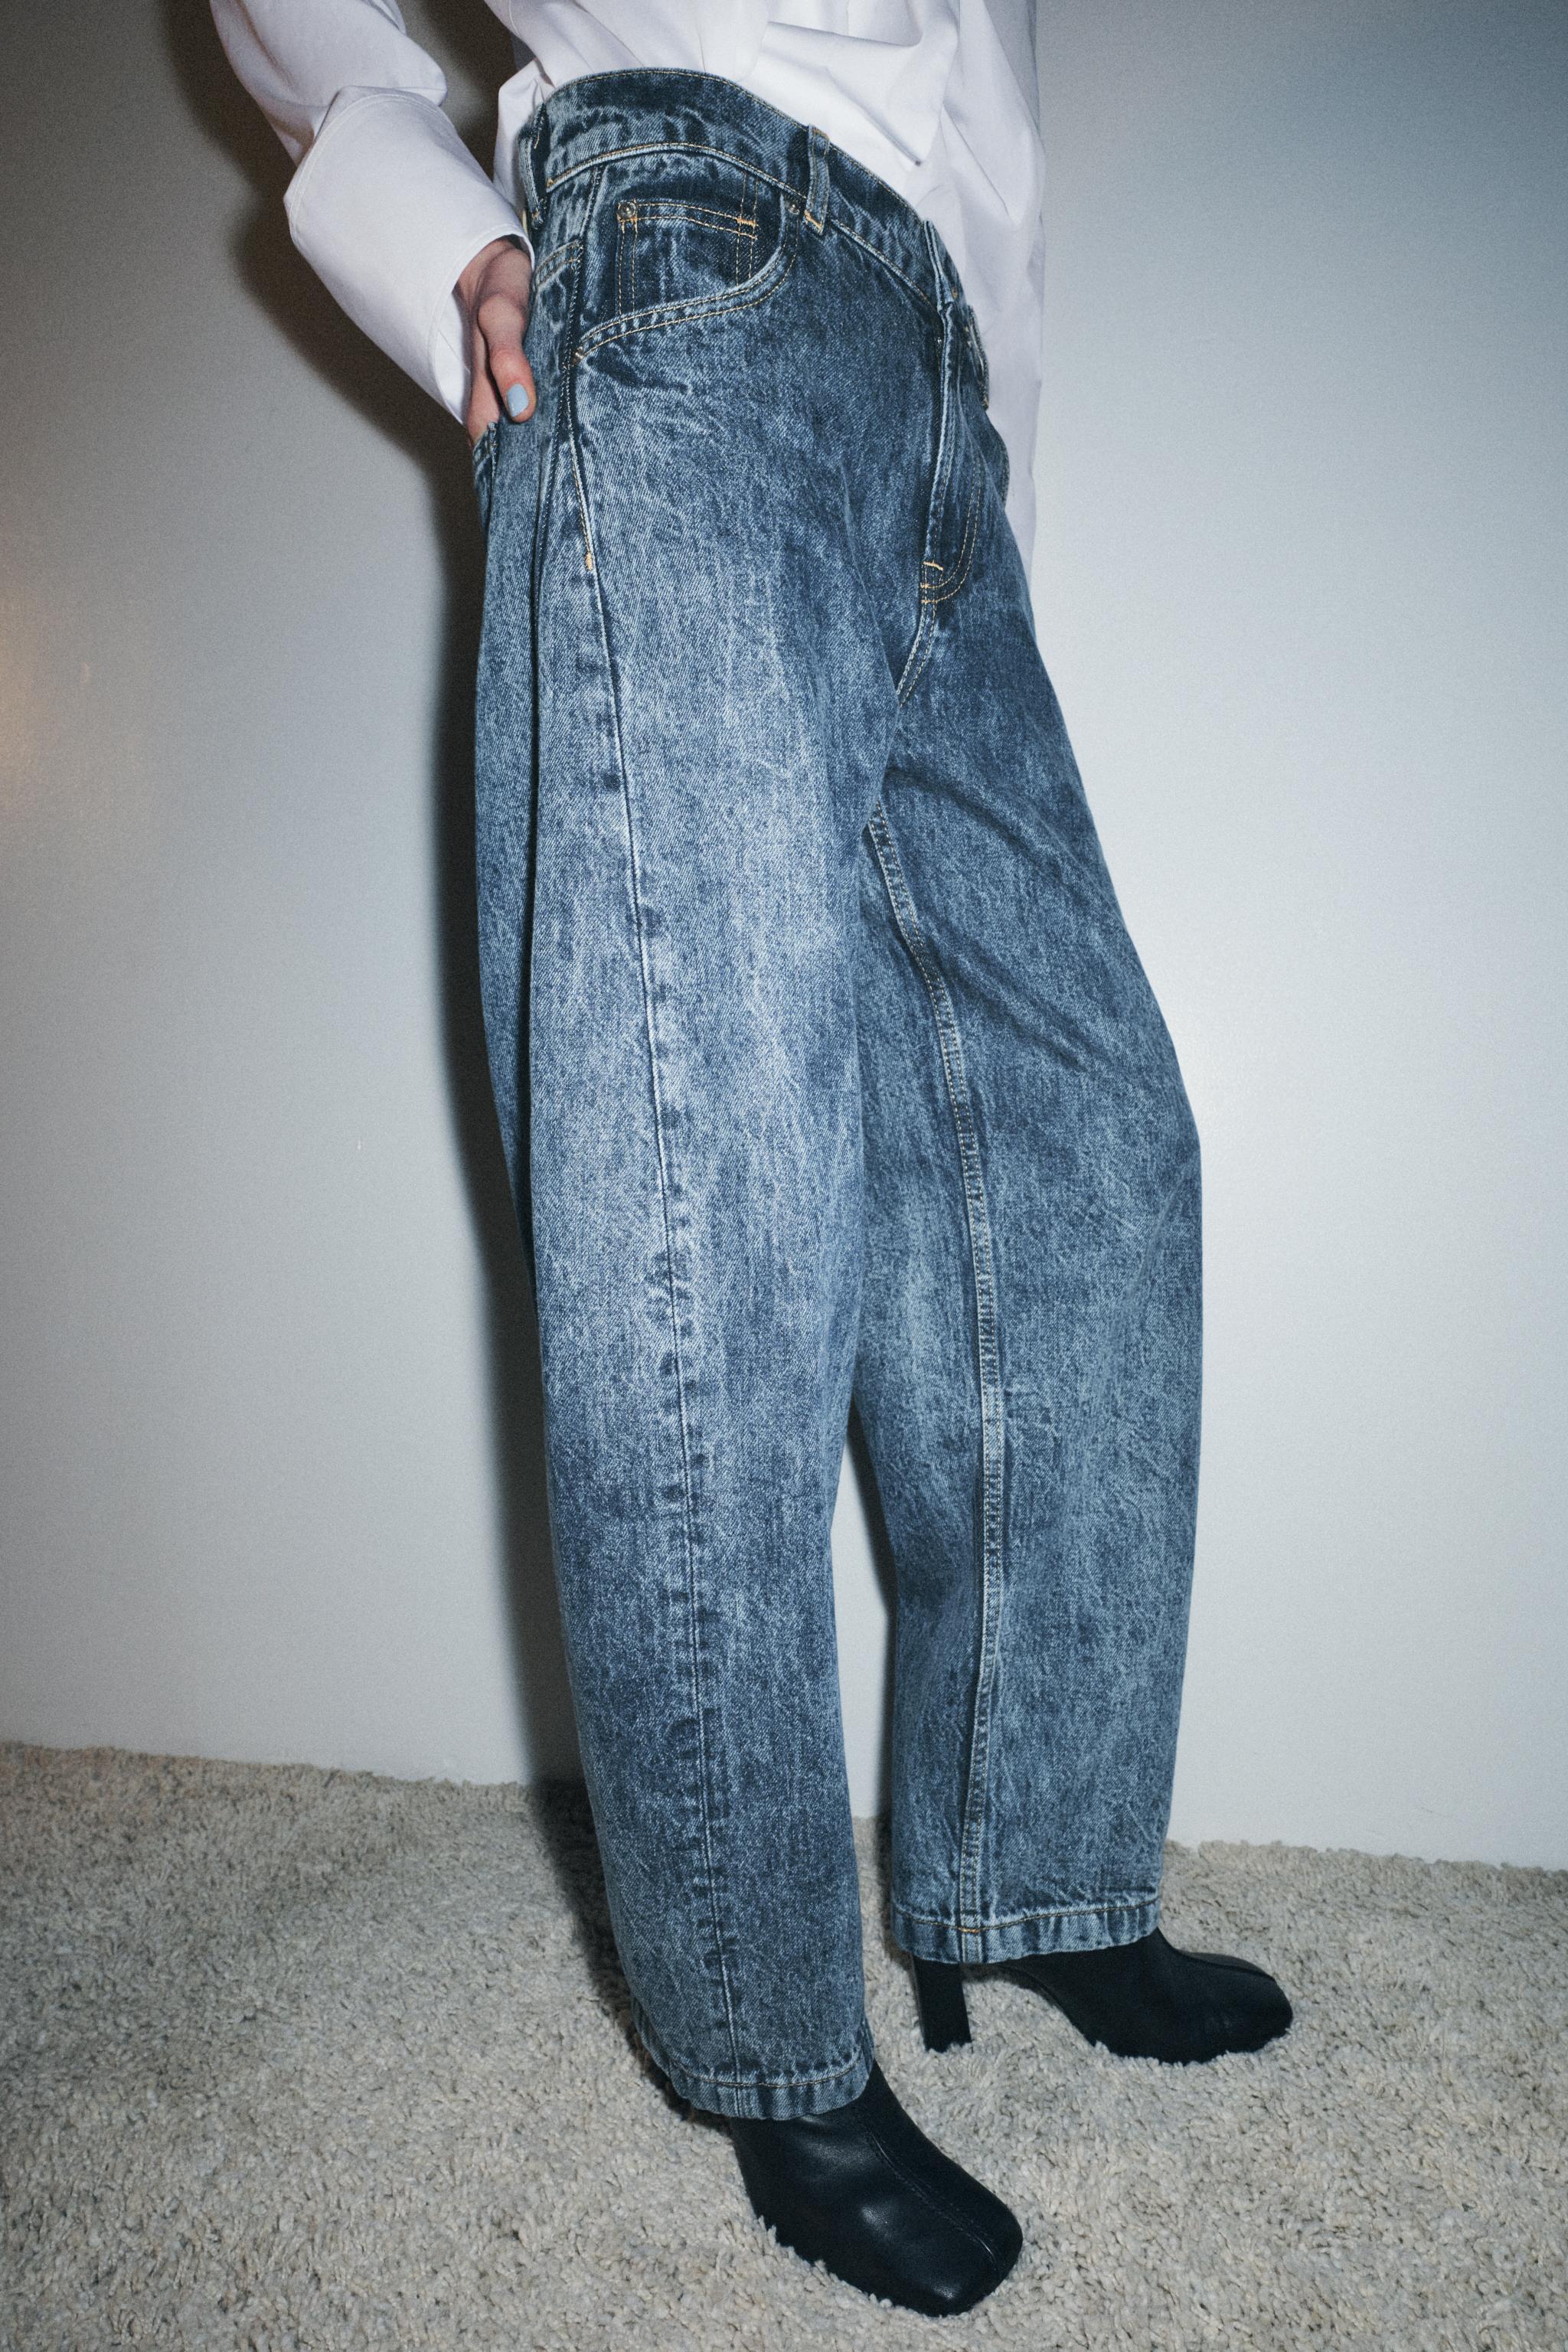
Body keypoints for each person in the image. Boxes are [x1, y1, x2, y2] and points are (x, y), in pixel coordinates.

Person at [211, 0, 1293, 2318]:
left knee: (1085, 1154)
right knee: (707, 1178)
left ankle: (1036, 1880)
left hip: (948, 414)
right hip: (691, 249)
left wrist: (973, 446)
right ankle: (769, 2041)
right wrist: (440, 239)